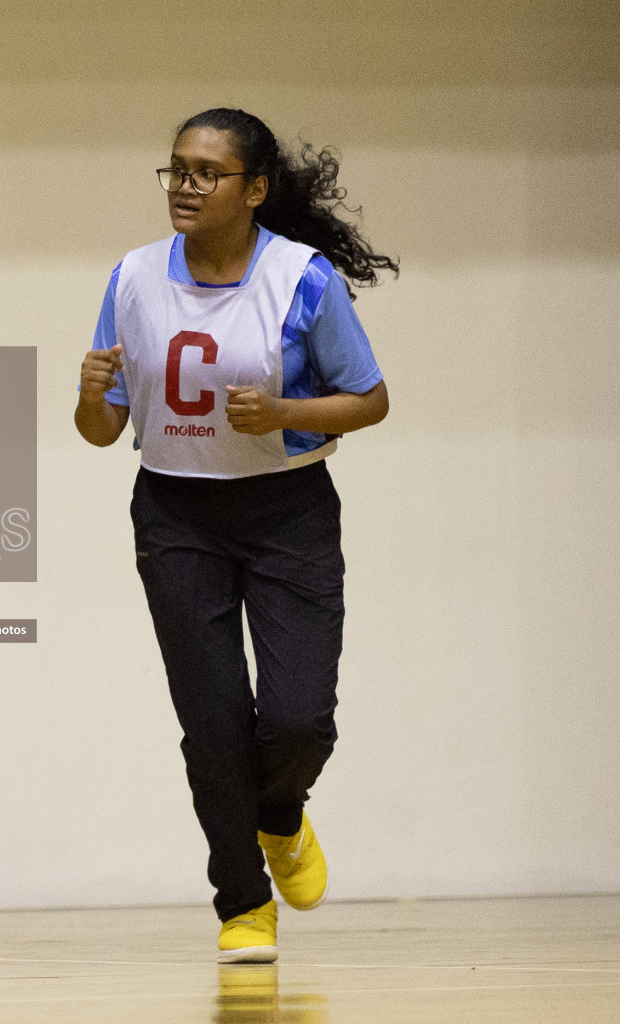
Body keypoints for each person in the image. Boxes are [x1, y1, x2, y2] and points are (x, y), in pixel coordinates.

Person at [75, 107, 396, 963]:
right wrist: (88, 391)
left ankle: (281, 815)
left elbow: (369, 399)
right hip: (175, 513)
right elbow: (101, 432)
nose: (184, 185)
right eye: (175, 168)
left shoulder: (302, 280)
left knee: (298, 717)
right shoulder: (134, 276)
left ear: (253, 190)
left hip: (285, 512)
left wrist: (288, 410)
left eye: (206, 173)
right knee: (211, 724)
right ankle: (241, 903)